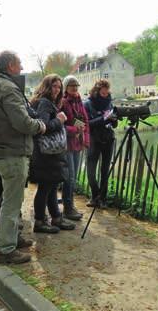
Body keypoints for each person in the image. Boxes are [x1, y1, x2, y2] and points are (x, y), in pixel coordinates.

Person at [0, 50, 46, 265]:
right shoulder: (8, 88)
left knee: (11, 199)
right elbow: (22, 122)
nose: (21, 67)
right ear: (10, 65)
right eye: (19, 64)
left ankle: (12, 238)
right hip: (12, 152)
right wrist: (41, 126)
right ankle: (6, 250)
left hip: (1, 149)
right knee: (11, 202)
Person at [29, 74, 76, 233]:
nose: (57, 90)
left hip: (48, 153)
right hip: (46, 153)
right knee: (45, 187)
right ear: (46, 87)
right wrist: (60, 120)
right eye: (54, 86)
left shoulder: (46, 103)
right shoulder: (44, 103)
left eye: (58, 87)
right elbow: (43, 126)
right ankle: (40, 221)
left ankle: (55, 217)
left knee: (51, 185)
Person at [84, 79, 117, 208]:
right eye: (102, 93)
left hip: (108, 139)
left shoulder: (109, 103)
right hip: (94, 139)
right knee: (91, 172)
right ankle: (95, 195)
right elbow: (87, 124)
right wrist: (103, 119)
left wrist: (114, 120)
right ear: (97, 91)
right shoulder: (88, 104)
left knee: (105, 171)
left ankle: (102, 199)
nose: (105, 95)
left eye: (106, 93)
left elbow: (113, 124)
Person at [60, 75, 90, 220]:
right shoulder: (63, 102)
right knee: (69, 177)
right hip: (66, 145)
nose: (75, 89)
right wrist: (74, 130)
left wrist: (86, 140)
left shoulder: (80, 102)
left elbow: (86, 122)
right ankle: (67, 208)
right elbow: (60, 126)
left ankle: (70, 205)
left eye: (76, 86)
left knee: (74, 177)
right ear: (66, 88)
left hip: (77, 144)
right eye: (72, 86)